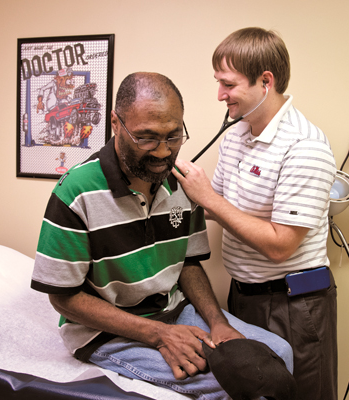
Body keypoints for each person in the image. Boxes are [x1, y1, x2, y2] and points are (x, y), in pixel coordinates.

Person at [31, 71, 293, 399]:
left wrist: (218, 322)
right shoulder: (76, 192)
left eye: (173, 136)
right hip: (104, 332)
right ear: (115, 123)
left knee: (278, 353)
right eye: (146, 137)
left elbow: (188, 264)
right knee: (232, 384)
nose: (162, 152)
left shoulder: (181, 183)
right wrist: (158, 334)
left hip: (174, 310)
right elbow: (63, 298)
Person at [173, 28, 338, 400]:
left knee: (301, 394)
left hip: (296, 306)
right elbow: (227, 209)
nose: (219, 95)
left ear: (266, 81)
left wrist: (209, 200)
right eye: (218, 83)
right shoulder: (237, 134)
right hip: (242, 297)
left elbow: (281, 246)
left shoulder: (305, 146)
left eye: (228, 84)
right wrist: (184, 198)